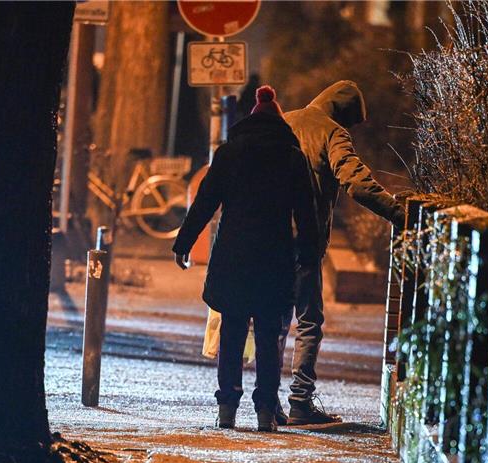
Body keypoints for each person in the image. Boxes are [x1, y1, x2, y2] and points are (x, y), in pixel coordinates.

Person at [172, 86, 319, 432]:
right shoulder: (293, 157)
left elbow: (205, 202)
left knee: (233, 330)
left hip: (233, 255)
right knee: (269, 334)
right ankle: (266, 411)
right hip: (275, 256)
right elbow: (306, 214)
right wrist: (309, 256)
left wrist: (184, 243)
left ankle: (227, 408)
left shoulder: (230, 153)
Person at [280, 80, 403, 425]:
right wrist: (398, 214)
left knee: (273, 320)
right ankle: (299, 403)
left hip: (269, 237)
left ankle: (266, 403)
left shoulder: (284, 120)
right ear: (342, 114)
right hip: (304, 241)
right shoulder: (332, 133)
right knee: (308, 321)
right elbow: (357, 182)